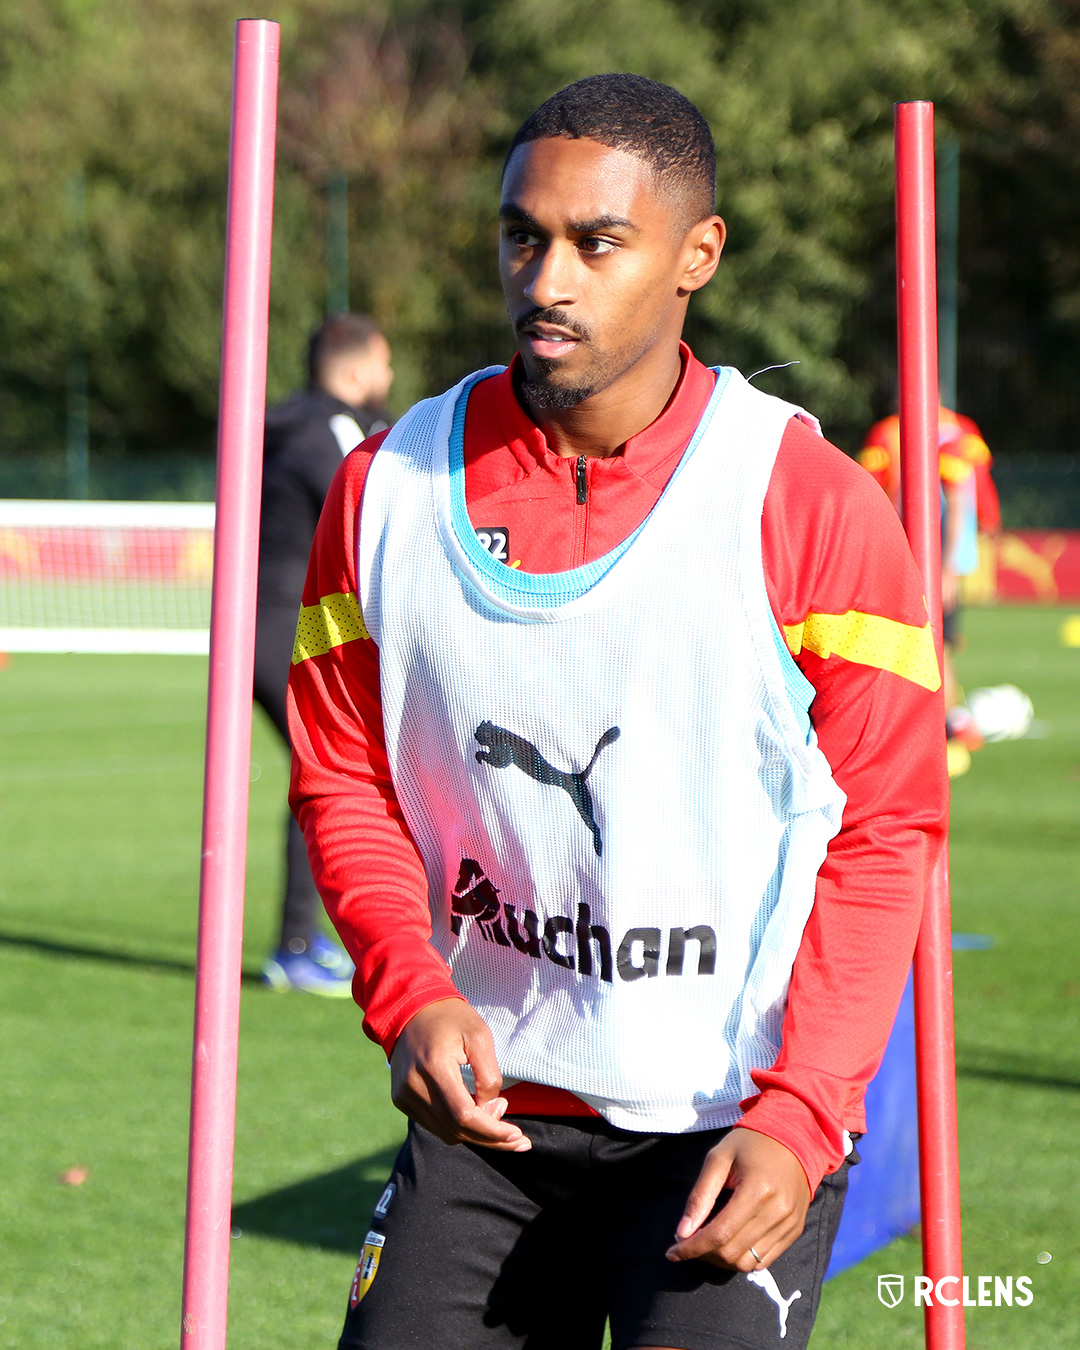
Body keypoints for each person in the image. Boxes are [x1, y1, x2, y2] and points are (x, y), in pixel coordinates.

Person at [288, 75, 947, 1350]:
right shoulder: (384, 492)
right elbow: (346, 775)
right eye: (522, 236)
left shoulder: (808, 504)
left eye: (599, 243)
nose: (548, 279)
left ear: (696, 254)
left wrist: (803, 1114)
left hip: (729, 1116)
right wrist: (407, 987)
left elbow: (887, 831)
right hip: (493, 1122)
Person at [256, 313, 393, 995]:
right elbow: (373, 507)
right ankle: (299, 947)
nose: (390, 380)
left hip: (257, 625)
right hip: (288, 624)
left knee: (325, 772)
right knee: (331, 773)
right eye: (383, 365)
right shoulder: (336, 433)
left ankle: (304, 942)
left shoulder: (283, 425)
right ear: (353, 370)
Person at [859, 405, 999, 771]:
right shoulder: (957, 429)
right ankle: (950, 723)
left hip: (926, 558)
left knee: (934, 643)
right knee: (932, 642)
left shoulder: (908, 433)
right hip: (925, 557)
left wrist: (949, 569)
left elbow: (956, 500)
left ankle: (948, 724)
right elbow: (972, 493)